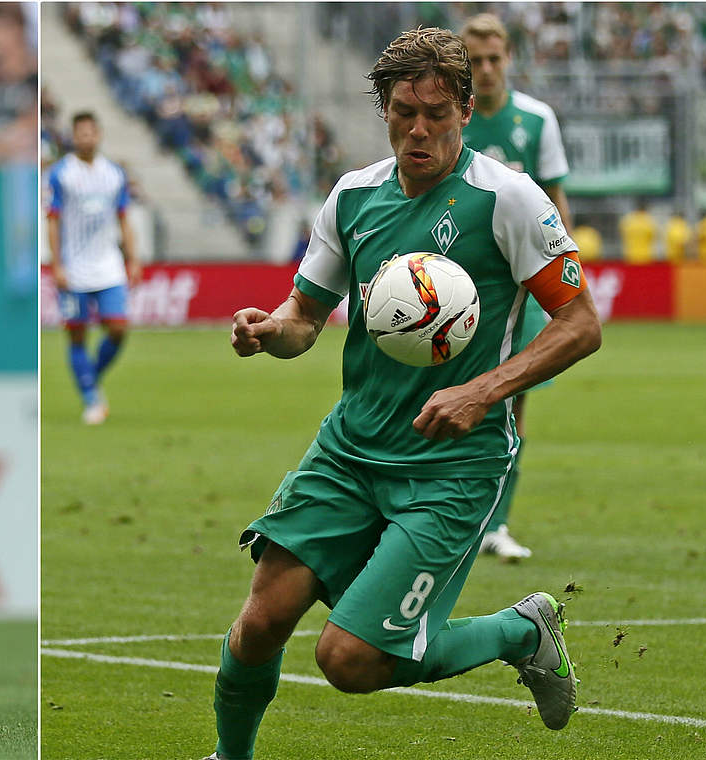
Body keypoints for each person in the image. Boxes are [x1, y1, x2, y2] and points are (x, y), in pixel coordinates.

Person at [208, 27, 601, 760]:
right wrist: (270, 330)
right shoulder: (353, 198)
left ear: (464, 111)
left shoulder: (509, 201)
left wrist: (484, 389)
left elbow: (581, 325)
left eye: (435, 114)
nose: (417, 130)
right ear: (383, 110)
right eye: (400, 112)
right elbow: (305, 320)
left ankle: (522, 630)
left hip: (451, 469)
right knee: (260, 621)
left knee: (348, 662)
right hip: (350, 452)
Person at [459, 13, 574, 560]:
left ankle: (496, 524)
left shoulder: (536, 118)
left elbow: (554, 201)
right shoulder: (449, 119)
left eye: (493, 59)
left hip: (522, 290)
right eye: (474, 60)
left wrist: (560, 275)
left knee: (509, 406)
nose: (484, 69)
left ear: (507, 58)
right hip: (456, 289)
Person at [46, 111, 140, 425]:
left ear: (98, 135)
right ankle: (90, 397)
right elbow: (53, 221)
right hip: (74, 269)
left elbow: (124, 219)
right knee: (77, 336)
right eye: (80, 133)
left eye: (91, 132)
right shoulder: (60, 174)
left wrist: (133, 258)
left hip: (108, 265)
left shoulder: (114, 174)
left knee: (118, 329)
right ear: (73, 136)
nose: (86, 137)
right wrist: (56, 265)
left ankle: (90, 378)